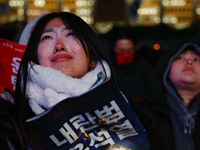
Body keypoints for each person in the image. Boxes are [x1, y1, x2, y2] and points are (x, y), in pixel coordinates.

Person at [13, 12, 150, 150]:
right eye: (47, 37)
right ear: (34, 55)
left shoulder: (138, 122)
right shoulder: (11, 127)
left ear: (91, 55)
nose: (59, 46)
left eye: (71, 34)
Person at [132, 42, 200, 150]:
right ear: (166, 67)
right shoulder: (143, 116)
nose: (189, 62)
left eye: (196, 59)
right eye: (180, 58)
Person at [109, 27, 152, 102]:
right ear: (113, 48)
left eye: (129, 50)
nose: (125, 55)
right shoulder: (107, 69)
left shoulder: (143, 67)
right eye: (121, 50)